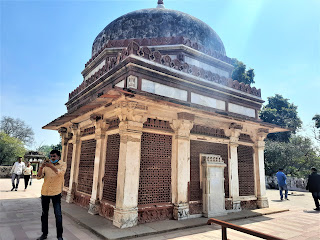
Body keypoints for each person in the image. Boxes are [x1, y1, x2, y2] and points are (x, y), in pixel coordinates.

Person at [36, 150, 66, 240]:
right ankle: (44, 234)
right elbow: (38, 177)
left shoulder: (63, 164)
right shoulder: (46, 165)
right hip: (45, 192)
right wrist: (41, 167)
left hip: (56, 193)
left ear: (58, 157)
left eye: (54, 156)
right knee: (44, 214)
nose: (52, 158)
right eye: (51, 156)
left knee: (58, 215)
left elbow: (60, 173)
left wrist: (51, 166)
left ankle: (59, 236)